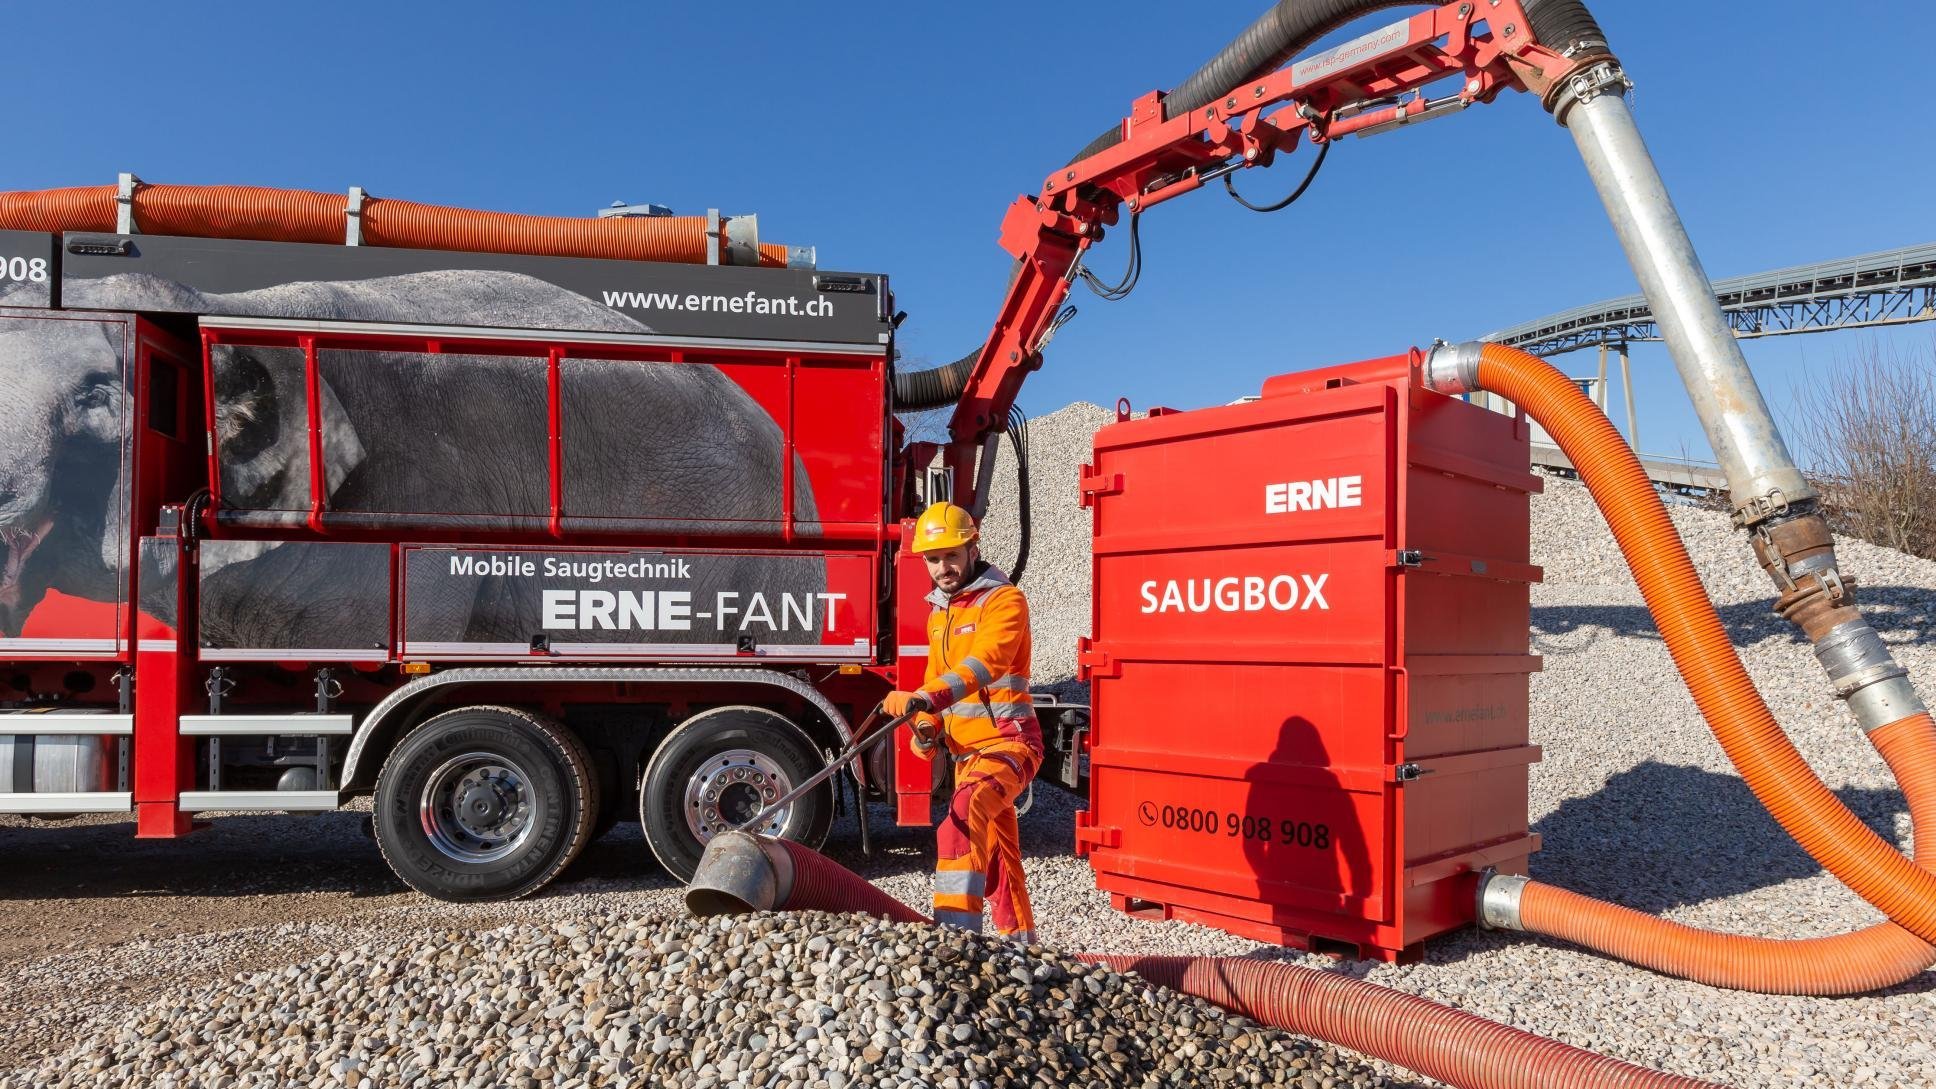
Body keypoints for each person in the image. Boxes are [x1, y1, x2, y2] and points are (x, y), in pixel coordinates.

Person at [883, 501, 1044, 943]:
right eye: (933, 559)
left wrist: (925, 697)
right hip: (968, 756)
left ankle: (954, 941)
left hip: (1011, 744)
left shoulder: (1004, 600)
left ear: (974, 549)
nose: (942, 568)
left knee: (961, 816)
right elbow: (936, 680)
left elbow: (987, 663)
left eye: (951, 555)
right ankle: (1021, 949)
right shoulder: (940, 614)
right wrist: (926, 728)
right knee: (999, 860)